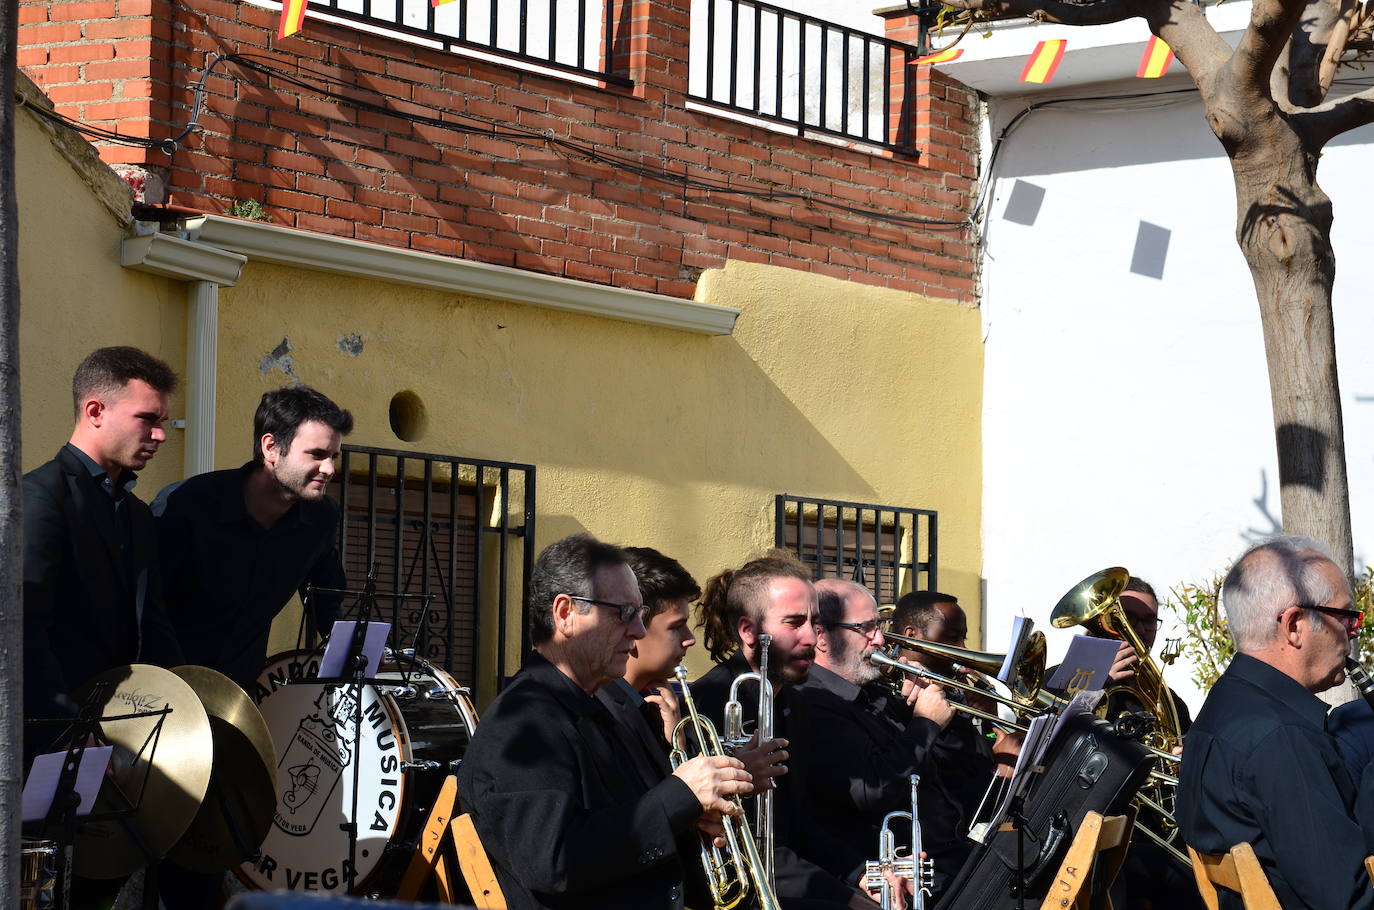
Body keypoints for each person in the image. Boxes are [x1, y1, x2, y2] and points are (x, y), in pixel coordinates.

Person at [457, 533, 751, 910]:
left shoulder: (596, 705)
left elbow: (624, 826)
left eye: (640, 616)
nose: (639, 631)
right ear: (565, 614)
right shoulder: (522, 721)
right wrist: (679, 796)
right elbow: (555, 861)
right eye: (624, 613)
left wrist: (690, 817)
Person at [1178, 535, 1374, 910]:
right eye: (1347, 616)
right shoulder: (1282, 738)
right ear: (1295, 625)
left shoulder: (1227, 703)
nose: (1354, 630)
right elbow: (1349, 901)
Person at [691, 553, 875, 909]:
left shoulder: (794, 701)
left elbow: (798, 822)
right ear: (748, 630)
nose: (811, 636)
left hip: (785, 869)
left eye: (814, 622)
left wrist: (860, 874)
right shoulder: (708, 704)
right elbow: (737, 841)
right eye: (794, 622)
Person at [154, 385, 352, 693]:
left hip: (239, 696)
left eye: (333, 457)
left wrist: (356, 654)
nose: (328, 469)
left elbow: (326, 601)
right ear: (270, 447)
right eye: (317, 454)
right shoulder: (186, 505)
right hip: (159, 691)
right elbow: (145, 607)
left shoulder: (321, 518)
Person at [23, 346, 184, 721]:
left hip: (126, 731)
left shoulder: (137, 514)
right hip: (52, 738)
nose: (160, 435)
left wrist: (186, 709)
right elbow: (23, 631)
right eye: (146, 419)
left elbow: (154, 625)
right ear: (95, 411)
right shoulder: (37, 499)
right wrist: (66, 729)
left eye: (162, 420)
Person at [800, 580, 969, 898]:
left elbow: (951, 766)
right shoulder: (812, 701)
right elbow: (869, 789)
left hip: (950, 853)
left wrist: (931, 710)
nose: (880, 639)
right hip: (904, 877)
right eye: (866, 628)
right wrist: (924, 724)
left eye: (879, 626)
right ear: (822, 637)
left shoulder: (874, 693)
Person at [885, 591, 1008, 890]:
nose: (962, 649)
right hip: (932, 850)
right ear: (912, 635)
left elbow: (982, 756)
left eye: (963, 637)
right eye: (952, 637)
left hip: (973, 830)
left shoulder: (955, 688)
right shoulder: (893, 694)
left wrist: (990, 721)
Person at [607, 546, 704, 747]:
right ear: (634, 630)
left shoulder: (663, 705)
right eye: (676, 626)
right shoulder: (604, 714)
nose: (690, 639)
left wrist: (678, 743)